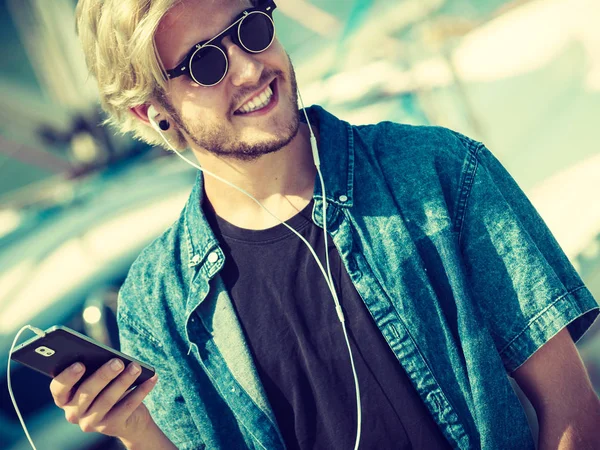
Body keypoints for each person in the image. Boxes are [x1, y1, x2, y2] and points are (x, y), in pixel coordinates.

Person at [49, 0, 600, 449]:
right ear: (153, 111)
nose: (248, 68)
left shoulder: (439, 173)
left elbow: (572, 408)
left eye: (253, 28)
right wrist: (135, 430)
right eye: (206, 64)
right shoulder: (157, 304)